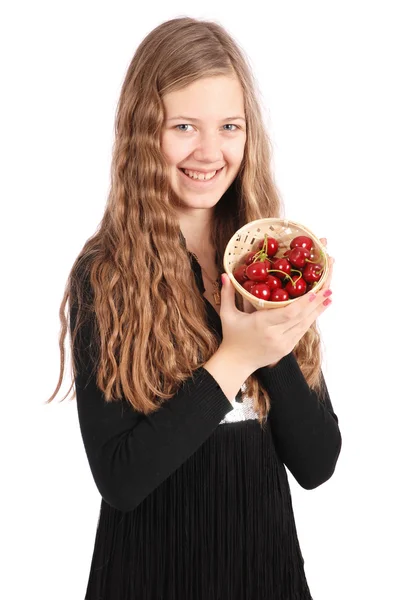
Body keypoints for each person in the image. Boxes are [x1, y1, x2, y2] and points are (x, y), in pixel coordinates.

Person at [46, 16, 342, 600]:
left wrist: (274, 343)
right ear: (141, 133)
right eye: (184, 126)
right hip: (148, 577)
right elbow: (122, 479)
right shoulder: (105, 277)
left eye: (229, 126)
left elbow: (316, 463)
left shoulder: (268, 258)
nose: (210, 151)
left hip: (266, 574)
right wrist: (238, 355)